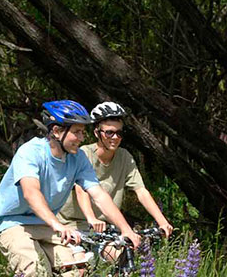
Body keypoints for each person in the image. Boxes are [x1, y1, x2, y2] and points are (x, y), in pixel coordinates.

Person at [0, 100, 141, 277]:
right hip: (10, 222)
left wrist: (126, 229)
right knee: (34, 272)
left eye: (83, 131)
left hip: (43, 223)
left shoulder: (77, 158)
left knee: (77, 274)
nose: (82, 137)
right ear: (57, 131)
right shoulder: (30, 153)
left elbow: (98, 195)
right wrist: (58, 225)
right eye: (77, 132)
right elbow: (31, 193)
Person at [61, 102, 174, 239]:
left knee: (122, 254)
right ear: (97, 133)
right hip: (73, 224)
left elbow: (141, 191)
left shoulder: (124, 157)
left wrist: (162, 221)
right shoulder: (83, 154)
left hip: (106, 227)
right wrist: (91, 218)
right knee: (80, 259)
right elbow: (81, 190)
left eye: (119, 133)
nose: (115, 137)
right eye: (109, 133)